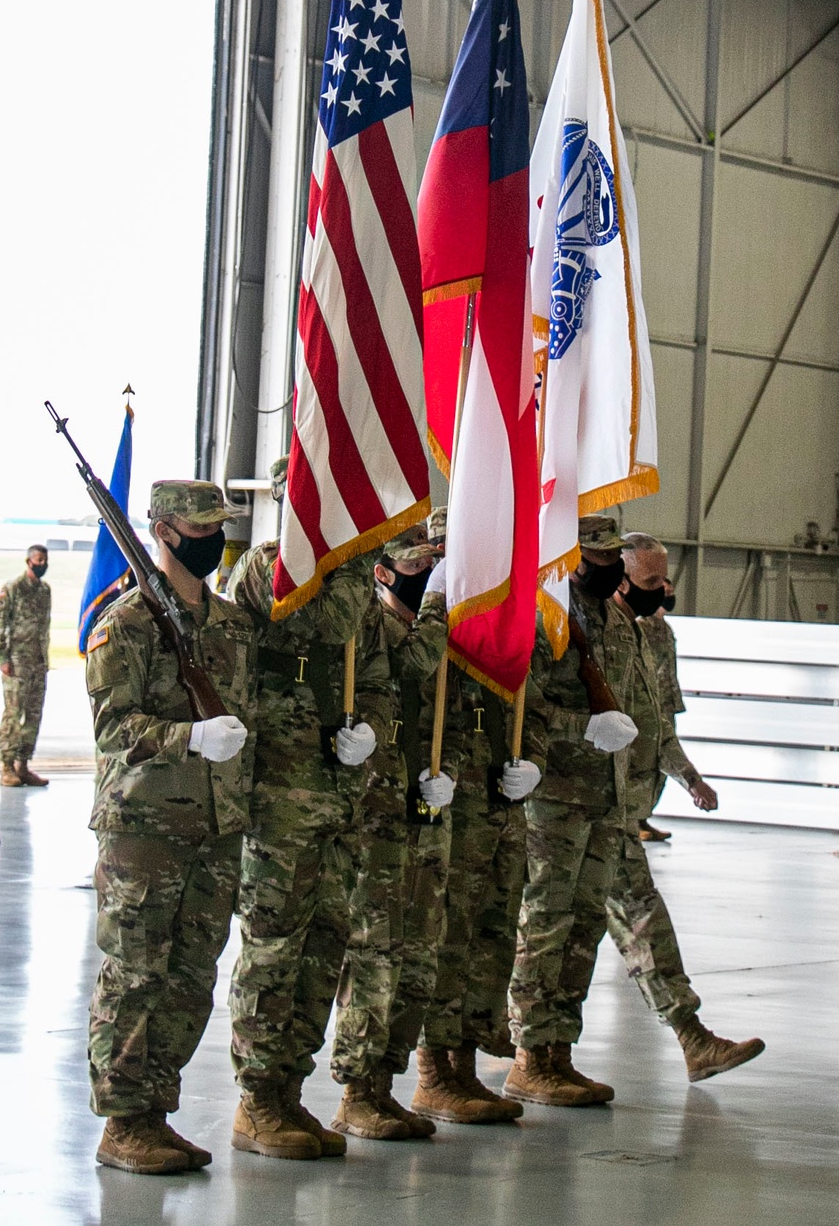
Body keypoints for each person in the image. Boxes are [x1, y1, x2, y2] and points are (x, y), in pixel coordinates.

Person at [506, 519, 764, 1102]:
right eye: (643, 575)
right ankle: (529, 1051)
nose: (657, 589)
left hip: (614, 803)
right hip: (556, 803)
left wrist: (687, 779)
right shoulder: (558, 617)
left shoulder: (641, 633)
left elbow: (652, 722)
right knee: (551, 924)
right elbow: (530, 709)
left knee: (587, 929)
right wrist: (587, 730)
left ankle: (555, 1050)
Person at [85, 480, 254, 1174]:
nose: (211, 538)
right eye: (198, 526)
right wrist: (188, 739)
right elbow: (112, 725)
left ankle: (156, 1111)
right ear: (161, 531)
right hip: (145, 826)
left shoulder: (231, 622)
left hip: (215, 824)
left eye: (218, 525)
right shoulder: (125, 622)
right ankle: (123, 1122)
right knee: (135, 975)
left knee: (189, 976)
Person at [226, 471, 393, 1161]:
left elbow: (377, 680)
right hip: (278, 799)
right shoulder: (270, 568)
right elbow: (321, 617)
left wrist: (373, 733)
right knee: (273, 951)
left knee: (325, 948)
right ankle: (256, 1100)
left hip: (341, 800)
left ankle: (289, 1089)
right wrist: (353, 562)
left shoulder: (363, 594)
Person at [329, 529, 454, 1140]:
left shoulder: (438, 628)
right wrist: (436, 603)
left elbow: (447, 713)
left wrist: (446, 773)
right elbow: (413, 665)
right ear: (382, 572)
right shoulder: (374, 627)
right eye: (419, 563)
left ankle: (388, 1080)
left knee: (420, 954)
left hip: (422, 809)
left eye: (435, 562)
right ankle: (357, 1089)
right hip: (375, 814)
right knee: (375, 953)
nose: (429, 569)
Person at [413, 616, 548, 1125]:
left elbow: (530, 709)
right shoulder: (428, 630)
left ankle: (465, 1062)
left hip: (500, 799)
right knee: (446, 935)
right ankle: (433, 1073)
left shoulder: (501, 623)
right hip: (451, 802)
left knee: (492, 936)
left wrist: (531, 760)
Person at [636, 578, 702, 842]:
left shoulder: (665, 628)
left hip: (667, 701)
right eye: (666, 593)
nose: (669, 597)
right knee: (645, 762)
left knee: (661, 767)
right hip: (650, 703)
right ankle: (635, 818)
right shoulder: (642, 626)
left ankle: (644, 816)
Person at [0, 544, 52, 787]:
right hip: (16, 662)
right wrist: (2, 658)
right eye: (38, 560)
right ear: (28, 562)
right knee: (14, 714)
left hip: (37, 662)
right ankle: (6, 766)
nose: (42, 564)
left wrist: (45, 661)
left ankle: (23, 765)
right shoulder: (12, 589)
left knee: (34, 715)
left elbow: (43, 628)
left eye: (45, 560)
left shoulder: (44, 590)